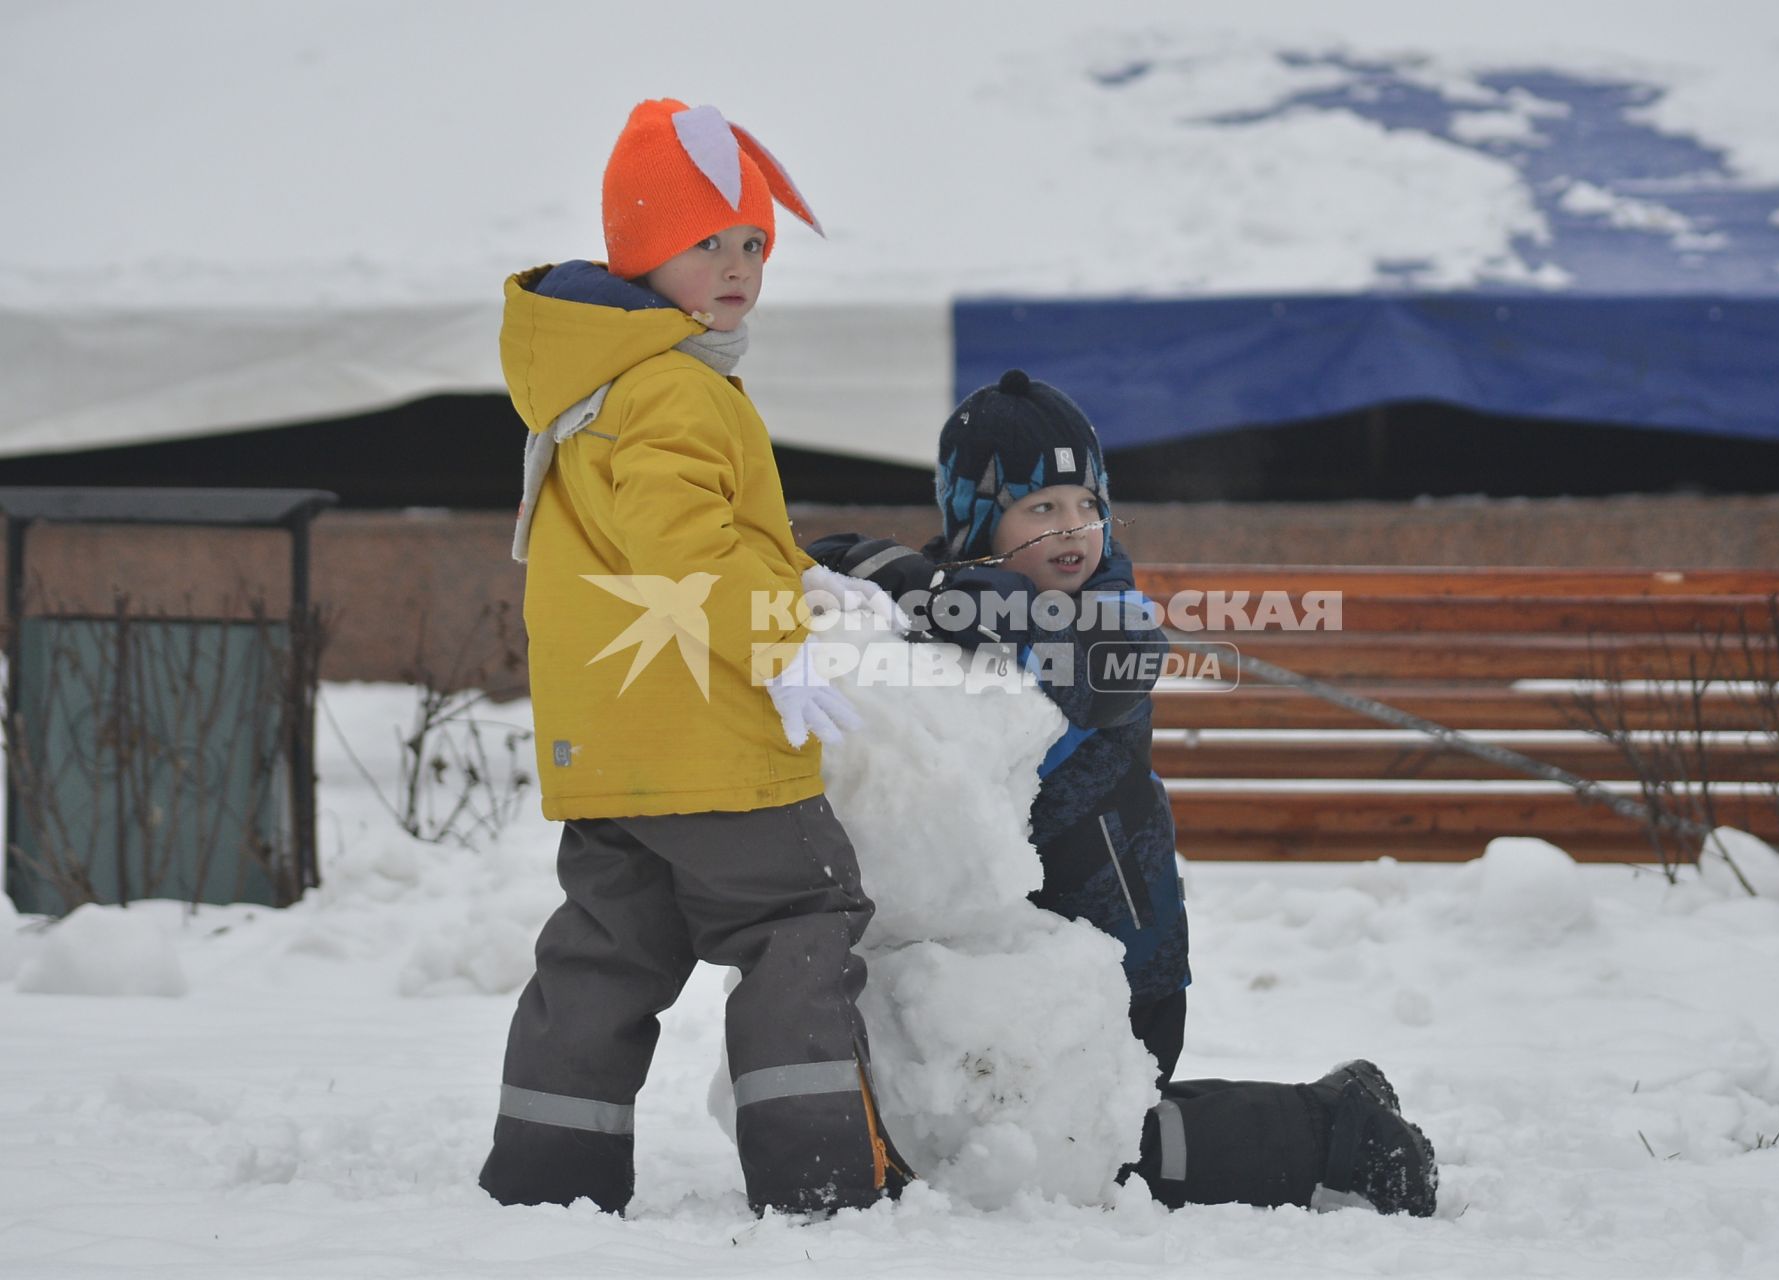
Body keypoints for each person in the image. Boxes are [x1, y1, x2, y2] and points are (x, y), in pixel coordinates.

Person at [809, 370, 1439, 1215]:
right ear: (976, 522)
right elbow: (823, 555)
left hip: (1119, 958)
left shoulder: (1115, 626)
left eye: (1087, 506)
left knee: (1097, 1152)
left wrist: (962, 599)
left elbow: (1057, 676)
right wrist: (924, 583)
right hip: (1016, 964)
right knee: (1044, 1132)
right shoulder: (958, 602)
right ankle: (1329, 1109)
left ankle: (1337, 1134)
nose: (1075, 530)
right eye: (1041, 510)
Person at [479, 97, 911, 1219]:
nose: (734, 267)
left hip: (615, 738)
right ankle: (817, 1173)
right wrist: (778, 638)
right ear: (638, 248)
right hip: (704, 736)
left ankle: (546, 1172)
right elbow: (685, 544)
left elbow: (657, 541)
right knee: (798, 920)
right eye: (703, 241)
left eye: (751, 242)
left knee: (608, 950)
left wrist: (789, 573)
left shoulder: (592, 382)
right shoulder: (672, 384)